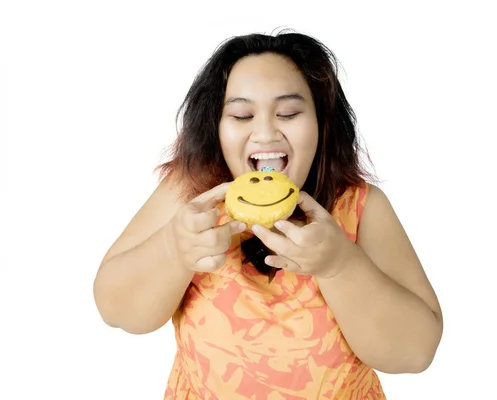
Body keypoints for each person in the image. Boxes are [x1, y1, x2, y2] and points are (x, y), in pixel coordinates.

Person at [93, 30, 443, 400]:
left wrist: (340, 265)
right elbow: (118, 313)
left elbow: (415, 353)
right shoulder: (191, 195)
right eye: (242, 114)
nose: (264, 132)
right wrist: (172, 249)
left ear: (322, 126)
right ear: (216, 127)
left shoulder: (359, 206)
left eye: (289, 113)